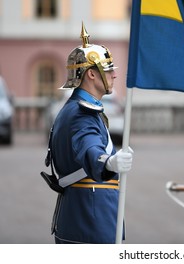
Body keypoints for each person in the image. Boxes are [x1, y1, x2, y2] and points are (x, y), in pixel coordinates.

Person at [46, 23, 134, 244]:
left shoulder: (75, 107)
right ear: (92, 74)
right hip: (90, 223)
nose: (114, 75)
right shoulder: (81, 114)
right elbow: (90, 150)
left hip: (81, 219)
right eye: (108, 69)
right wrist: (109, 162)